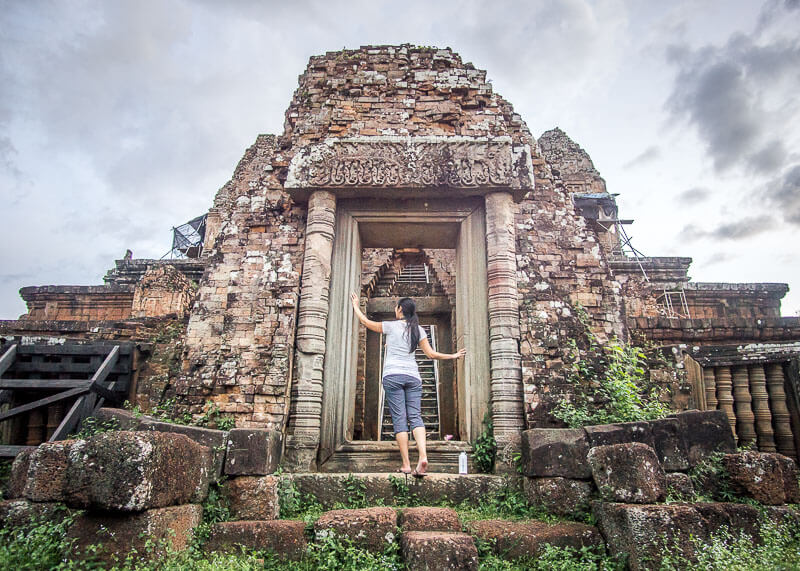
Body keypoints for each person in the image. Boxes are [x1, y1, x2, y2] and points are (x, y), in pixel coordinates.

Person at [350, 292, 466, 477]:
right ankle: (423, 456)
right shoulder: (418, 330)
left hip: (393, 375)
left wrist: (356, 305)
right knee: (416, 416)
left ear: (400, 309)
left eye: (396, 307)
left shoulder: (391, 326)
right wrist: (453, 356)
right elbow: (431, 354)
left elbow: (365, 322)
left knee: (399, 419)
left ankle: (406, 464)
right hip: (413, 376)